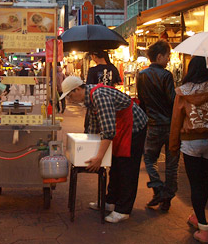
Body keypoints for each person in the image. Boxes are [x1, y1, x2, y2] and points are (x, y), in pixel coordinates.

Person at [61, 76, 148, 223]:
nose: (70, 99)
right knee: (115, 165)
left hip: (134, 128)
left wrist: (99, 157)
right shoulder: (89, 99)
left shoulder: (99, 96)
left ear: (78, 89)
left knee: (127, 168)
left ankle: (123, 210)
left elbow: (108, 131)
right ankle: (110, 201)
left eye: (70, 95)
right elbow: (94, 128)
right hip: (120, 128)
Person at [169, 56, 208, 244]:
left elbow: (176, 122)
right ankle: (197, 216)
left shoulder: (182, 92)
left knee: (195, 184)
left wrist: (173, 147)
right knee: (203, 181)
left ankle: (203, 227)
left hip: (190, 144)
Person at [136, 40, 178, 211]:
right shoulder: (167, 75)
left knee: (149, 159)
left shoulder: (141, 75)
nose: (168, 59)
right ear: (159, 56)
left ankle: (157, 189)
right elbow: (173, 101)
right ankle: (165, 195)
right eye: (167, 56)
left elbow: (142, 101)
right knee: (171, 164)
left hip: (152, 124)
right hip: (170, 125)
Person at [84, 50, 122, 132]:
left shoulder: (93, 70)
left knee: (92, 129)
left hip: (95, 103)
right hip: (112, 103)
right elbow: (118, 83)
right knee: (109, 127)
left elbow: (88, 88)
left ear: (94, 56)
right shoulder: (113, 68)